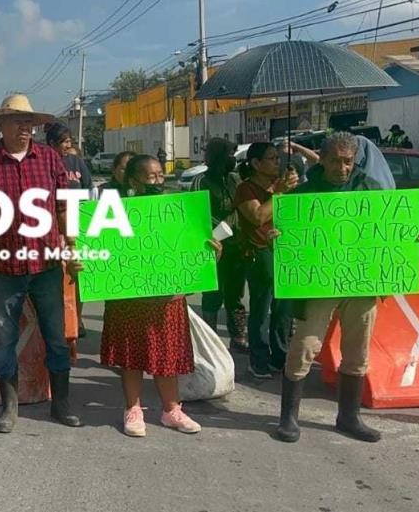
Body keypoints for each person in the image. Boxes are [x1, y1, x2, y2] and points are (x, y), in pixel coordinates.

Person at [274, 132, 419, 444]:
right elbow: (282, 235)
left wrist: (417, 236)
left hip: (361, 285)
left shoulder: (372, 190)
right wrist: (276, 235)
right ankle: (288, 417)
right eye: (335, 161)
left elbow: (392, 230)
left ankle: (348, 417)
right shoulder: (301, 194)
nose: (342, 168)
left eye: (348, 162)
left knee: (357, 351)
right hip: (316, 286)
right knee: (305, 346)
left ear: (355, 160)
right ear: (322, 157)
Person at [0, 93, 83, 434]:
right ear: (0, 126)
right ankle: (9, 406)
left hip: (47, 265)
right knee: (4, 340)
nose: (25, 129)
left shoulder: (49, 158)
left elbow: (64, 205)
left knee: (57, 338)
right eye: (18, 122)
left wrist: (71, 245)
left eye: (30, 123)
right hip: (5, 268)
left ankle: (60, 404)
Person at [102, 154, 220, 437]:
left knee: (167, 355)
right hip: (129, 298)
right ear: (132, 181)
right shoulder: (113, 212)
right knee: (131, 355)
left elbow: (197, 242)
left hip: (168, 297)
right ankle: (133, 409)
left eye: (159, 176)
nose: (156, 181)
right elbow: (100, 250)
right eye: (149, 176)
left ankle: (171, 410)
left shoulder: (178, 210)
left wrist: (211, 253)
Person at [234, 142, 298, 380]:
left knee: (284, 309)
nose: (277, 162)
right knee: (261, 307)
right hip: (259, 252)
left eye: (277, 158)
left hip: (286, 250)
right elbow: (257, 216)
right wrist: (279, 193)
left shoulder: (282, 184)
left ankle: (279, 357)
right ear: (256, 164)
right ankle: (258, 360)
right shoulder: (246, 189)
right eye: (271, 158)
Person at [191, 138, 247, 352]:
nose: (232, 158)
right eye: (228, 154)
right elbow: (198, 211)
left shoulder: (235, 179)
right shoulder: (201, 180)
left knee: (235, 294)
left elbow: (243, 205)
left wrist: (235, 223)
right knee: (213, 294)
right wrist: (224, 225)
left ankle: (238, 337)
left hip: (237, 246)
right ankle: (210, 339)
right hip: (213, 244)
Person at [45, 122, 92, 337]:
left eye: (69, 141)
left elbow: (89, 190)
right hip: (51, 230)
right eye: (64, 142)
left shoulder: (76, 162)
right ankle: (56, 322)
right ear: (52, 144)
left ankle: (77, 321)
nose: (68, 145)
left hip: (77, 227)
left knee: (78, 275)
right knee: (55, 278)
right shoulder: (43, 163)